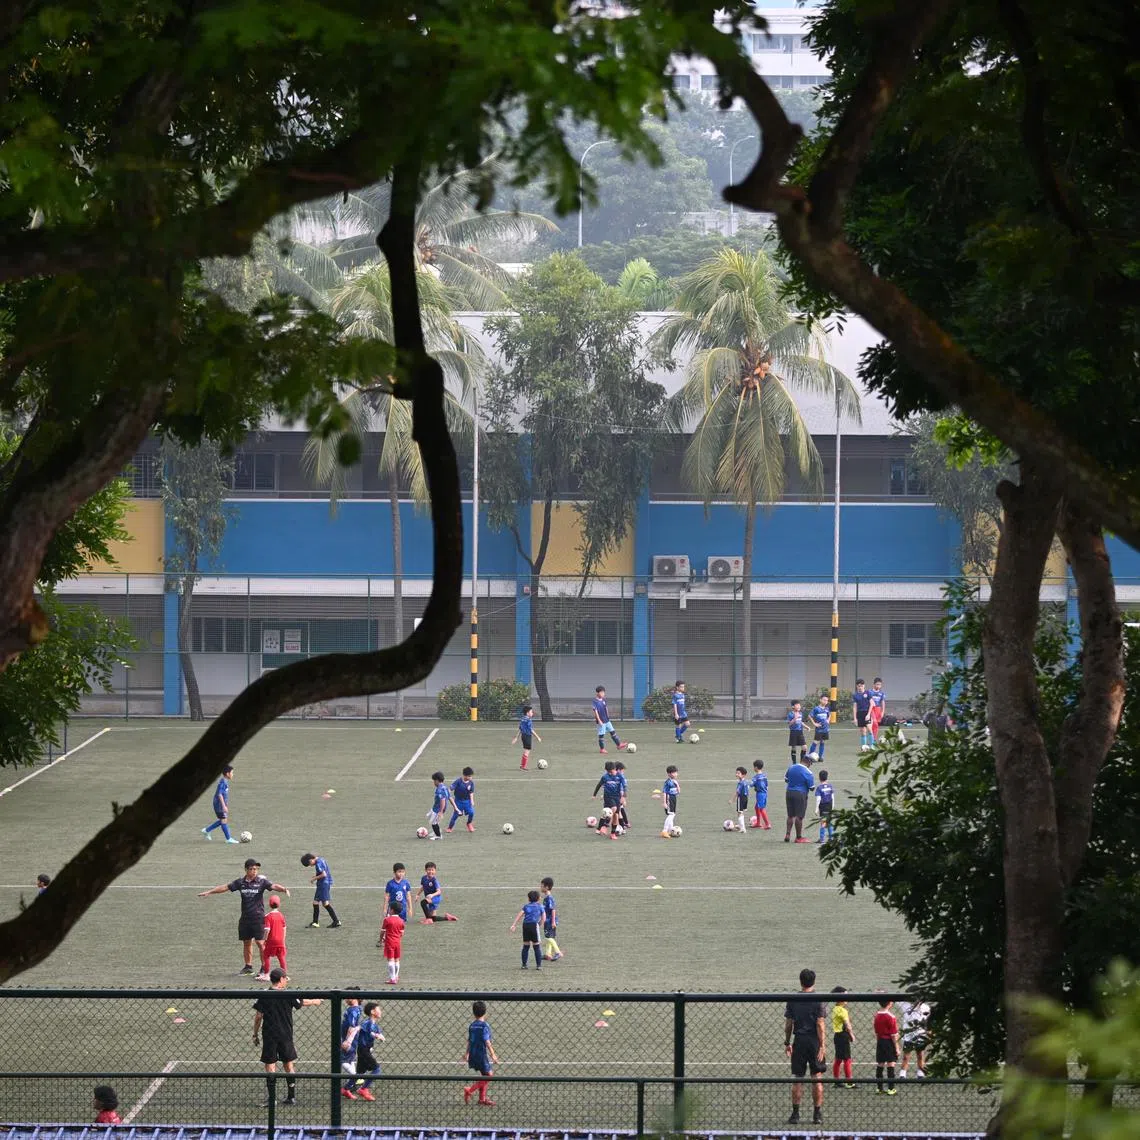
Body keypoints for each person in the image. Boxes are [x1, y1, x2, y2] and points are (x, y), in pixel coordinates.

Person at [198, 858, 290, 975]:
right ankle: (248, 966)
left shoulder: (262, 882)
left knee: (261, 943)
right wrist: (210, 892)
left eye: (256, 869)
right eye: (252, 869)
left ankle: (263, 967)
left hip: (258, 918)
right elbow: (225, 887)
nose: (254, 871)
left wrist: (283, 889)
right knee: (247, 942)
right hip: (245, 918)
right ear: (246, 870)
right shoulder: (240, 882)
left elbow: (273, 886)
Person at [252, 967, 322, 1106]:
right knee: (288, 1064)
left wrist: (255, 1033)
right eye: (286, 979)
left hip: (269, 1035)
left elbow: (258, 1016)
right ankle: (291, 1096)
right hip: (285, 1034)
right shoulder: (289, 994)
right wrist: (315, 1001)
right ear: (282, 979)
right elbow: (301, 1003)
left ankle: (272, 1098)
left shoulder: (264, 995)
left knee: (270, 1065)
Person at [784, 967, 826, 1126]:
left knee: (798, 1079)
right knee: (817, 1078)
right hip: (814, 1041)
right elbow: (820, 1024)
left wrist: (787, 1042)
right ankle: (817, 1114)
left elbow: (789, 1024)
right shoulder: (818, 999)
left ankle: (795, 1114)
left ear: (800, 981)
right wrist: (822, 1046)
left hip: (799, 1040)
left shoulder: (793, 999)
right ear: (813, 981)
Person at [463, 1000, 498, 1106]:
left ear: (473, 1013)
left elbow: (469, 1040)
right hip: (481, 1055)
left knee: (484, 1075)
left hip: (473, 1054)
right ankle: (470, 1090)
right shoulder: (484, 1026)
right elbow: (487, 1041)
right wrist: (493, 1054)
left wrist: (467, 1053)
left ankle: (482, 1100)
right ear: (485, 1012)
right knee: (489, 1075)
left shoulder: (472, 1026)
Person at [350, 1002, 384, 1100]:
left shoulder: (375, 1025)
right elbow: (368, 1031)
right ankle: (363, 1089)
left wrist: (380, 1036)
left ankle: (345, 1089)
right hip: (363, 1050)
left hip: (366, 1050)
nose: (380, 1011)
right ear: (373, 1012)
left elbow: (379, 1034)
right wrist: (376, 1035)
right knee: (377, 1069)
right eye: (379, 1009)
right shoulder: (367, 1023)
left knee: (360, 1073)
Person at [300, 852, 342, 929]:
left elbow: (324, 874)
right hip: (324, 884)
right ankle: (318, 922)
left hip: (323, 885)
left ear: (310, 860)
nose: (310, 865)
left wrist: (314, 878)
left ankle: (334, 921)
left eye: (309, 864)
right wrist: (316, 876)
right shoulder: (321, 859)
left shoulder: (318, 864)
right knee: (317, 903)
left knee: (323, 903)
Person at [202, 764, 240, 843]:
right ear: (227, 774)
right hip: (219, 805)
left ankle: (207, 830)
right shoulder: (223, 782)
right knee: (224, 820)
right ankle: (228, 839)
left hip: (219, 804)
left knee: (223, 820)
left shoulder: (224, 781)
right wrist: (224, 806)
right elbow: (219, 794)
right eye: (232, 773)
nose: (233, 774)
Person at [783, 756, 815, 844]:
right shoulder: (808, 772)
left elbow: (786, 779)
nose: (810, 765)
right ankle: (798, 837)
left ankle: (787, 834)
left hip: (789, 792)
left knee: (790, 815)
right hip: (800, 794)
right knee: (799, 816)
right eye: (811, 763)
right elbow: (812, 787)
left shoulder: (791, 767)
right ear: (808, 762)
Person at [510, 889, 544, 969]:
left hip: (525, 926)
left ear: (528, 899)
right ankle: (538, 966)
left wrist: (514, 925)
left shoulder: (526, 906)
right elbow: (544, 917)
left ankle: (524, 965)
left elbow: (520, 914)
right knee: (536, 946)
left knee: (526, 945)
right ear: (539, 898)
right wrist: (540, 924)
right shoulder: (540, 906)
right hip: (534, 925)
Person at [873, 997, 900, 1094]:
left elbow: (876, 1032)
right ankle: (891, 1088)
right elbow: (893, 1035)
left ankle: (879, 1088)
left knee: (880, 1064)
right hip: (888, 1042)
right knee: (891, 1063)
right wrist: (897, 1047)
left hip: (880, 1041)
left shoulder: (877, 1015)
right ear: (889, 1004)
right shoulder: (891, 1017)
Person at [899, 998, 931, 1079]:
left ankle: (920, 1073)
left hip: (920, 1035)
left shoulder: (926, 1007)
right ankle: (902, 1074)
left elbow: (927, 1021)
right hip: (908, 1035)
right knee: (906, 1056)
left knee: (920, 1055)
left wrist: (928, 1031)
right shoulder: (905, 1005)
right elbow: (894, 1000)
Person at [831, 986, 856, 1088]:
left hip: (837, 1036)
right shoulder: (843, 1011)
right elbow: (847, 1024)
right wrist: (851, 1035)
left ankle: (836, 1080)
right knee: (847, 1059)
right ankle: (849, 1081)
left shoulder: (835, 1009)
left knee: (838, 1059)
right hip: (843, 1035)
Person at [258, 893, 287, 980]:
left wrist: (264, 939)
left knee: (266, 956)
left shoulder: (268, 916)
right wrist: (283, 940)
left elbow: (267, 929)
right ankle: (284, 976)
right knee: (281, 957)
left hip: (271, 941)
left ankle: (266, 974)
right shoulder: (281, 915)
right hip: (280, 941)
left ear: (269, 904)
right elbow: (284, 928)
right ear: (279, 904)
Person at [339, 993, 363, 1099]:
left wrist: (347, 1041)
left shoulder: (353, 1011)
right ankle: (351, 1083)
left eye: (347, 996)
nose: (345, 998)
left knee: (342, 1060)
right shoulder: (356, 1008)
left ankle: (357, 1078)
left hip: (348, 1040)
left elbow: (351, 1027)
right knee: (351, 1059)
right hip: (351, 1039)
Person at [592, 760, 624, 839]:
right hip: (608, 797)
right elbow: (599, 785)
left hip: (617, 797)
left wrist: (623, 797)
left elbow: (624, 786)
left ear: (614, 768)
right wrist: (594, 795)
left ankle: (612, 833)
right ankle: (605, 826)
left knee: (615, 815)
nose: (610, 773)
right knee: (613, 808)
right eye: (608, 771)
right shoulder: (605, 777)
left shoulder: (619, 776)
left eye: (611, 771)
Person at [592, 685, 626, 754]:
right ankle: (602, 749)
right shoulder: (595, 701)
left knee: (612, 732)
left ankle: (619, 744)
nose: (603, 694)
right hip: (601, 721)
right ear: (598, 693)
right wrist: (599, 720)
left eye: (603, 692)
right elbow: (595, 712)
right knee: (601, 735)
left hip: (607, 720)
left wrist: (608, 715)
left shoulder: (603, 700)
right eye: (602, 692)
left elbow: (606, 708)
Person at [380, 902, 406, 984]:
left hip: (389, 942)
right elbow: (402, 933)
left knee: (390, 960)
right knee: (397, 959)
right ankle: (396, 976)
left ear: (392, 910)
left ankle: (392, 978)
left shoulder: (387, 920)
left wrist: (381, 939)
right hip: (397, 942)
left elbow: (382, 932)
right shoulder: (401, 921)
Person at [511, 704, 541, 771]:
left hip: (523, 736)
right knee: (527, 751)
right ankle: (523, 766)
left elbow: (520, 729)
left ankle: (522, 765)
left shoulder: (523, 719)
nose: (532, 713)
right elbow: (531, 730)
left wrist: (516, 737)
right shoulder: (529, 720)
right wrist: (538, 737)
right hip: (527, 736)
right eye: (531, 712)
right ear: (527, 713)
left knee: (526, 751)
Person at [540, 876, 562, 961]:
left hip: (550, 921)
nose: (540, 888)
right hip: (547, 921)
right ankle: (548, 954)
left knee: (549, 938)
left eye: (542, 886)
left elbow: (553, 910)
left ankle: (558, 952)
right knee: (549, 936)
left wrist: (553, 922)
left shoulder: (549, 898)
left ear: (547, 887)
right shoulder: (546, 898)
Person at [447, 767, 476, 833]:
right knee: (455, 815)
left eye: (471, 776)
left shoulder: (471, 783)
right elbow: (451, 788)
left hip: (467, 801)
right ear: (464, 775)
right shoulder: (458, 781)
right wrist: (448, 791)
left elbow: (471, 792)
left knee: (471, 812)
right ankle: (449, 828)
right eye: (469, 776)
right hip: (458, 801)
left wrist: (472, 800)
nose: (471, 777)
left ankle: (469, 823)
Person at [427, 771, 450, 840]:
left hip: (438, 808)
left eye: (434, 780)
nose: (433, 782)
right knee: (430, 818)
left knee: (434, 822)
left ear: (437, 780)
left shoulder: (439, 789)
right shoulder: (444, 787)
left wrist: (441, 812)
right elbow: (449, 797)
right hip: (436, 807)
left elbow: (442, 800)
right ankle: (436, 831)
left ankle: (438, 836)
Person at [809, 694, 831, 762]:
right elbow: (810, 716)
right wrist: (814, 723)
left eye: (827, 700)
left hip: (825, 729)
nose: (825, 701)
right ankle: (810, 756)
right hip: (819, 729)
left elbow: (829, 715)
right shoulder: (816, 709)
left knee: (822, 742)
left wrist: (828, 720)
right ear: (820, 700)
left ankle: (820, 757)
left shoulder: (827, 709)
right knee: (815, 742)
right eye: (824, 700)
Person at [852, 679, 873, 751]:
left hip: (867, 713)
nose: (860, 687)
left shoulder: (868, 693)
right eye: (858, 686)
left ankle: (872, 746)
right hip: (860, 714)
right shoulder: (855, 695)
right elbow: (855, 707)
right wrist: (855, 718)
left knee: (870, 729)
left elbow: (872, 704)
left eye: (861, 686)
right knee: (863, 732)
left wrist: (868, 714)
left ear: (864, 686)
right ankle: (864, 747)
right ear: (857, 686)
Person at [815, 770, 835, 844]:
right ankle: (831, 838)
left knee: (823, 822)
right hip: (829, 805)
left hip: (823, 806)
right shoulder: (830, 786)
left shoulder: (819, 788)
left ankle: (822, 838)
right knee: (829, 822)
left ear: (819, 778)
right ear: (827, 777)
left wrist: (816, 809)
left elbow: (818, 799)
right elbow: (832, 797)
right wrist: (833, 807)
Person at [660, 765, 680, 838]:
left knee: (673, 814)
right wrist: (664, 802)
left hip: (673, 798)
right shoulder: (668, 782)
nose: (676, 774)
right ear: (669, 774)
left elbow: (678, 791)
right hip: (669, 798)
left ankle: (670, 830)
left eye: (676, 773)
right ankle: (664, 831)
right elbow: (664, 792)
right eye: (674, 773)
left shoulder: (674, 781)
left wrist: (677, 784)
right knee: (671, 814)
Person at [751, 760, 770, 830]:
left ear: (756, 767)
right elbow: (767, 785)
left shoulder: (756, 777)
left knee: (761, 808)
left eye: (754, 767)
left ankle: (768, 824)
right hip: (764, 793)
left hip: (760, 794)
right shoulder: (764, 776)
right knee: (757, 807)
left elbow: (751, 784)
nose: (753, 768)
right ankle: (758, 823)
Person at [869, 678, 887, 742]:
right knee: (875, 723)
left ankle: (873, 739)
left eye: (880, 685)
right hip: (871, 709)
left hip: (878, 709)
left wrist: (882, 712)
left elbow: (883, 702)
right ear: (874, 684)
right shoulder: (870, 692)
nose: (878, 686)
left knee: (876, 726)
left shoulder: (881, 693)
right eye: (877, 684)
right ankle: (872, 739)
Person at [615, 760, 631, 830]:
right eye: (622, 770)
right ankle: (625, 823)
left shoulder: (621, 777)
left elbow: (623, 788)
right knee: (620, 809)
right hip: (616, 795)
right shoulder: (615, 776)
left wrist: (623, 798)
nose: (623, 772)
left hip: (619, 795)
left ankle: (624, 824)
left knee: (619, 809)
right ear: (618, 770)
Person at [733, 766, 750, 834]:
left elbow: (737, 792)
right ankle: (740, 825)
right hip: (745, 798)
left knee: (739, 812)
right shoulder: (746, 782)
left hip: (741, 798)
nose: (736, 774)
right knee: (741, 812)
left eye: (738, 773)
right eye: (736, 773)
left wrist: (732, 799)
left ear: (743, 775)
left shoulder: (740, 783)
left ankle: (743, 829)